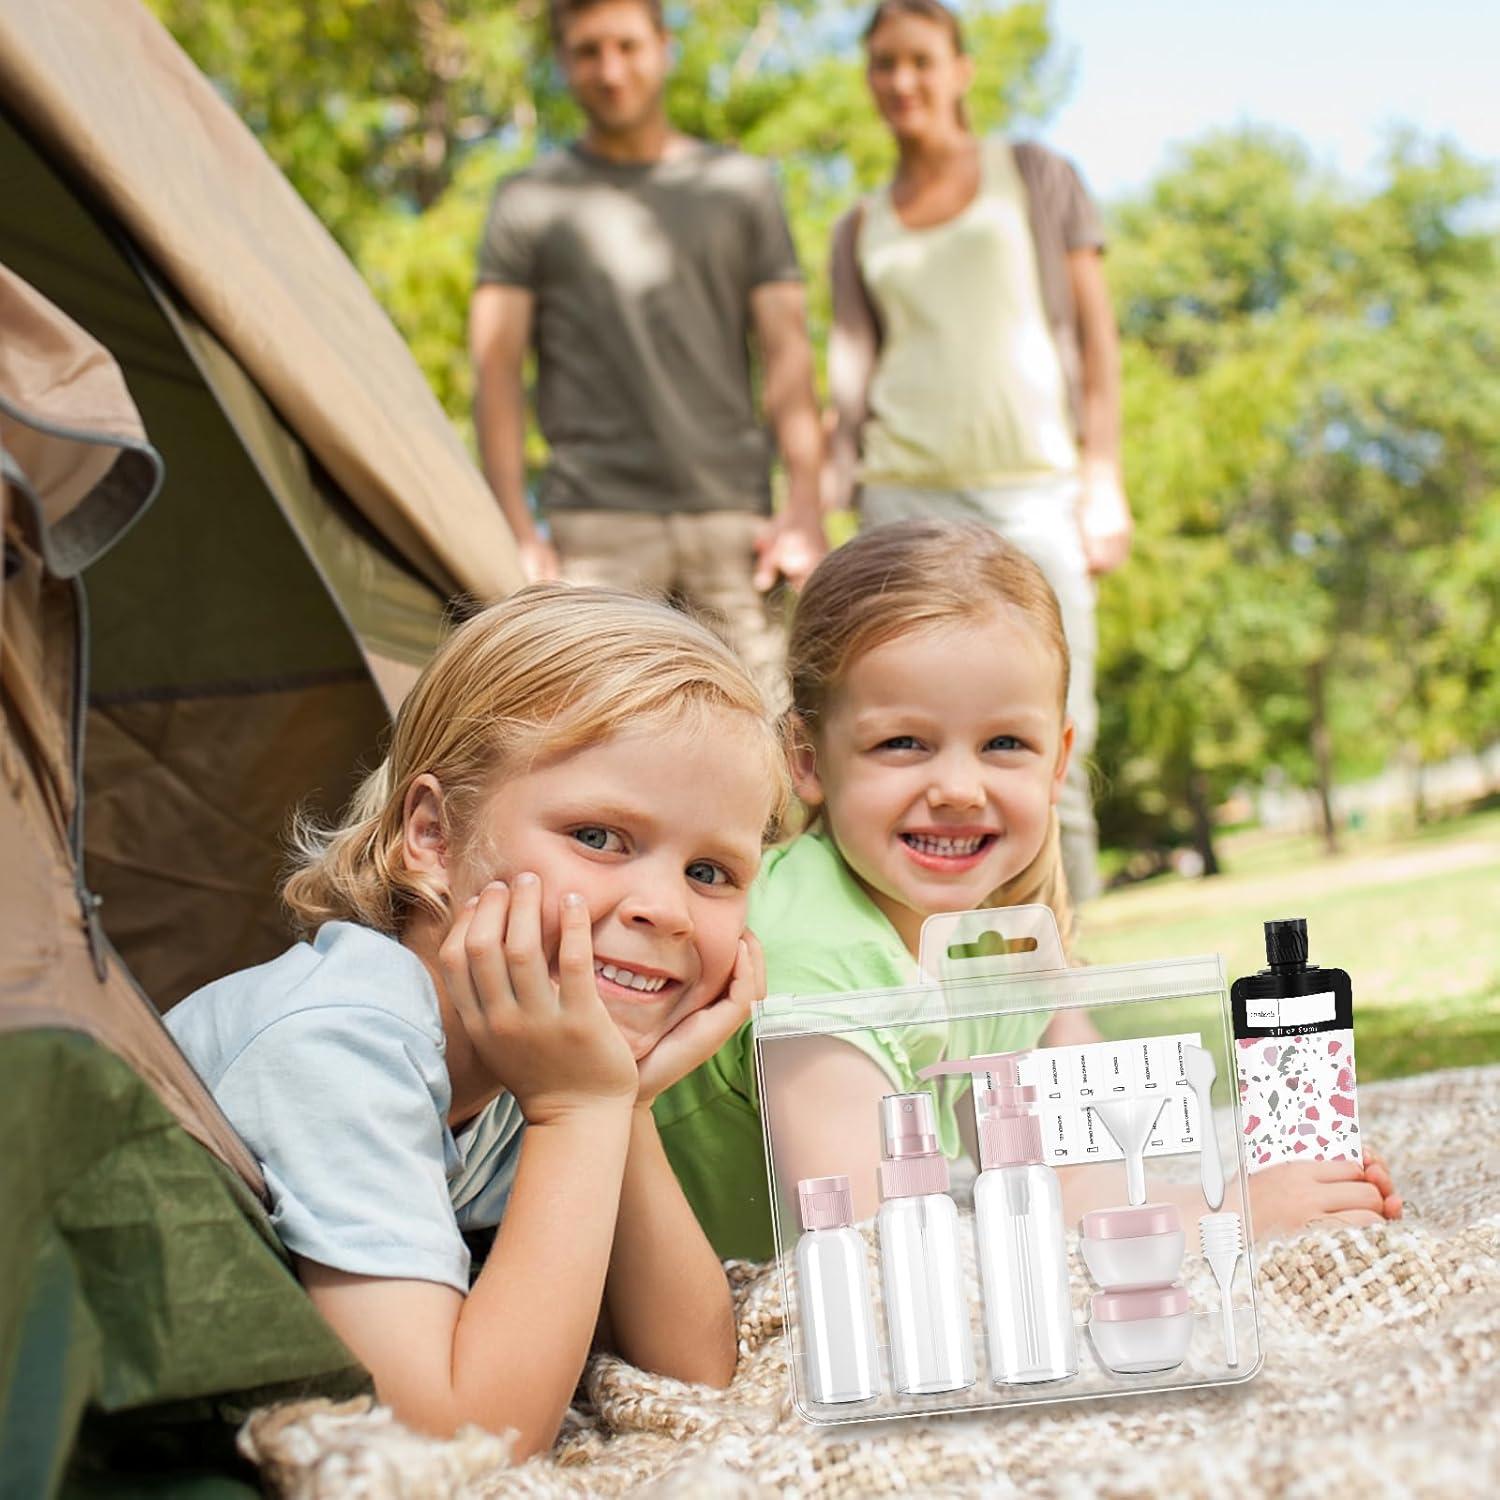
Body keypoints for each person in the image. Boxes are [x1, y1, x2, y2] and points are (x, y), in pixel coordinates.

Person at [655, 521, 1402, 1259]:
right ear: (807, 757)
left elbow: (1078, 1183)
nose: (956, 788)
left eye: (1004, 744)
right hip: (712, 1295)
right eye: (902, 743)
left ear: (1058, 762)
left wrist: (1247, 1205)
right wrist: (1234, 1221)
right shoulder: (811, 954)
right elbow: (874, 1251)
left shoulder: (1009, 937)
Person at [165, 585, 789, 1455]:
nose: (667, 909)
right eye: (600, 837)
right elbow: (454, 1445)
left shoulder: (526, 1050)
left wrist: (621, 1105)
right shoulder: (337, 1042)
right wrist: (581, 1111)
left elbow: (689, 1380)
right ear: (431, 833)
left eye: (713, 873)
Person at [826, 0, 1128, 903]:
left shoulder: (1034, 175)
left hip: (1034, 492)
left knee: (1051, 743)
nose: (902, 82)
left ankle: (1069, 990)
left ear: (960, 69)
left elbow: (1098, 337)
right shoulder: (860, 223)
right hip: (901, 498)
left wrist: (1103, 476)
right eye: (884, 65)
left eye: (920, 61)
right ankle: (933, 994)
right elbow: (851, 362)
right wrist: (830, 500)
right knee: (900, 756)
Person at [469, 0, 826, 700]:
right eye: (587, 51)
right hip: (595, 529)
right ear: (564, 62)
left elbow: (788, 350)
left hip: (736, 524)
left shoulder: (740, 187)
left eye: (628, 46)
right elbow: (496, 371)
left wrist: (805, 505)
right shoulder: (528, 200)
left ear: (665, 47)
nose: (610, 69)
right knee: (593, 741)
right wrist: (515, 527)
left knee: (768, 741)